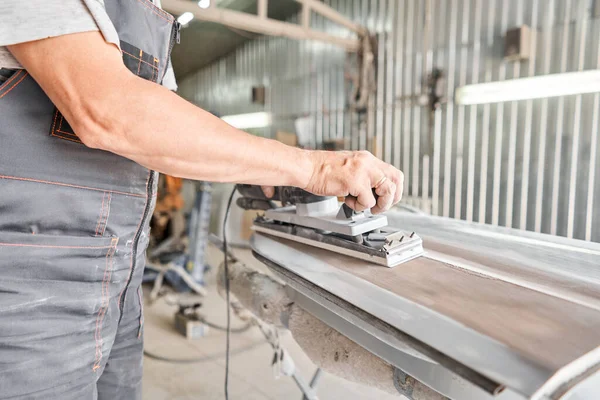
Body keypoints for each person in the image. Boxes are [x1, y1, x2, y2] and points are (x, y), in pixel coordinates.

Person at [0, 1, 404, 399]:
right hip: (29, 291)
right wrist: (312, 168)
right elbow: (107, 109)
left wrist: (266, 174)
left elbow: (160, 136)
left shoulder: (149, 16)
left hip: (122, 284)